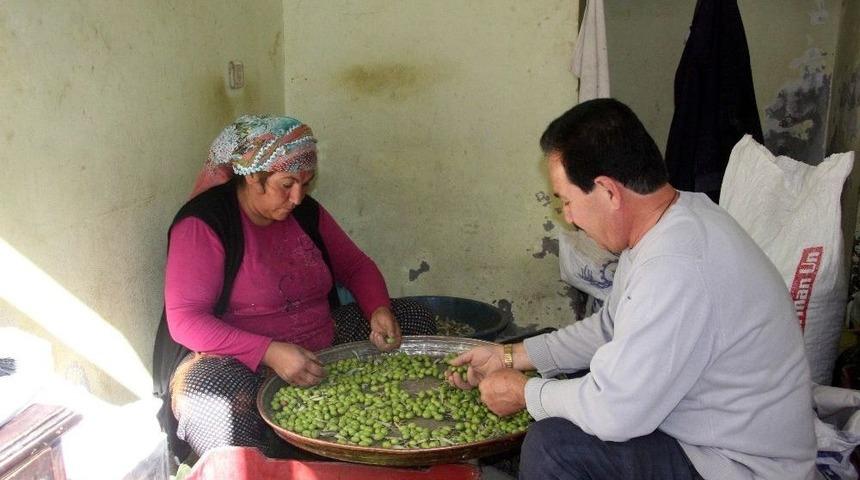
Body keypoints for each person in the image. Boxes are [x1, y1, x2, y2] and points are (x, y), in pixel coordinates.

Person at [448, 99, 816, 480]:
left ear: (608, 191)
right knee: (555, 374)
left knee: (553, 446)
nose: (569, 218)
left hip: (736, 466)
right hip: (705, 436)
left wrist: (526, 394)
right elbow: (609, 326)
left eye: (568, 202)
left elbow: (615, 411)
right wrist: (511, 357)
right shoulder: (674, 218)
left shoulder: (676, 266)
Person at [152, 115, 435, 459]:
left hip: (320, 340)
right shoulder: (205, 223)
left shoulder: (304, 213)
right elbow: (185, 321)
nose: (298, 197)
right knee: (209, 396)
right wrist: (269, 351)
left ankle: (374, 426)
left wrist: (378, 309)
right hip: (241, 360)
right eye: (287, 184)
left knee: (414, 318)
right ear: (253, 177)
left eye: (306, 183)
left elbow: (356, 266)